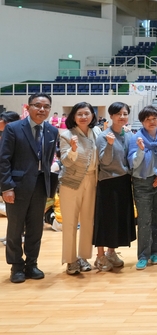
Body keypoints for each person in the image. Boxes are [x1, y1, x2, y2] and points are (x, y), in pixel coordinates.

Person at [0, 93, 59, 283]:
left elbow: (48, 160)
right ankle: (16, 266)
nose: (42, 109)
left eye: (46, 106)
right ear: (28, 107)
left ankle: (32, 264)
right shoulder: (13, 129)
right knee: (15, 228)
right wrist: (7, 186)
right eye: (38, 105)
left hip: (41, 186)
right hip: (17, 187)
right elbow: (4, 160)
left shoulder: (52, 131)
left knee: (36, 228)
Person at [58, 102, 101, 275]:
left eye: (87, 113)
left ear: (92, 115)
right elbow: (66, 161)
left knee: (88, 221)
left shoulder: (96, 132)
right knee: (69, 222)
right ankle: (70, 260)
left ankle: (83, 256)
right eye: (80, 114)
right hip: (71, 182)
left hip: (92, 180)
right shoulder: (66, 135)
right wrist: (73, 149)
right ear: (73, 116)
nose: (83, 117)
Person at [93, 102, 136, 272]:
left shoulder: (128, 135)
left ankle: (111, 252)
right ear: (111, 116)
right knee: (105, 219)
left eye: (125, 113)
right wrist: (110, 145)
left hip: (124, 181)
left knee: (118, 219)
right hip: (107, 183)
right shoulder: (104, 136)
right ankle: (100, 255)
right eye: (118, 114)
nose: (122, 117)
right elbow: (104, 161)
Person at [128, 106, 157, 270]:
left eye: (154, 118)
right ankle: (143, 255)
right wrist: (142, 151)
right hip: (142, 182)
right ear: (142, 121)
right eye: (147, 119)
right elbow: (133, 164)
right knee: (144, 220)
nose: (152, 122)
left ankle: (154, 252)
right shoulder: (135, 138)